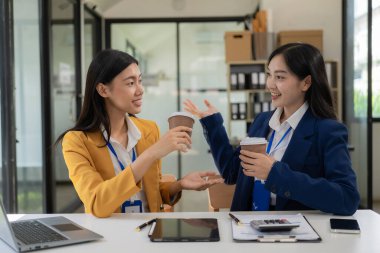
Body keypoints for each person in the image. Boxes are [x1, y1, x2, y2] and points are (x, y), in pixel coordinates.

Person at [184, 43, 360, 215]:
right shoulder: (262, 121)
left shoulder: (328, 130)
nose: (270, 84)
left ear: (306, 83)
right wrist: (213, 124)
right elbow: (232, 172)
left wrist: (274, 173)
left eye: (280, 77)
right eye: (269, 74)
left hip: (294, 233)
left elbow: (346, 198)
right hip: (247, 228)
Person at [57, 49, 222, 218]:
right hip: (109, 237)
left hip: (150, 232)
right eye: (130, 83)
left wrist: (179, 184)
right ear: (103, 90)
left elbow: (154, 189)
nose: (140, 90)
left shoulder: (149, 130)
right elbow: (97, 203)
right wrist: (151, 154)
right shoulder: (76, 142)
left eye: (140, 81)